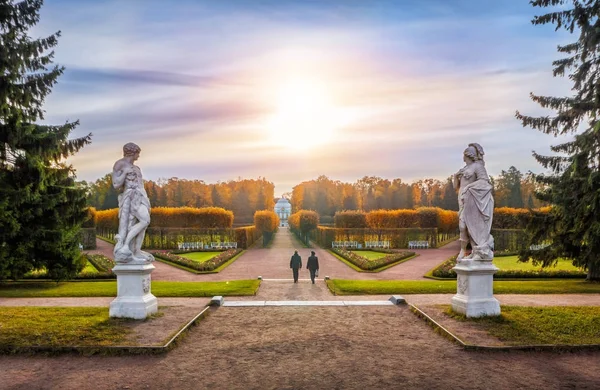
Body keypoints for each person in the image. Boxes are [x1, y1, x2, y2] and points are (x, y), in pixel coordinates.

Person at [112, 142, 154, 263]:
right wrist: (125, 173)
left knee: (144, 224)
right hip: (130, 198)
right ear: (132, 152)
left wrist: (145, 199)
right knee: (144, 220)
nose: (138, 156)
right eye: (138, 153)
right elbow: (116, 184)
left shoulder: (137, 168)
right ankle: (125, 245)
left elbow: (141, 185)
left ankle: (137, 250)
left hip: (141, 197)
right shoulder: (119, 164)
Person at [453, 143, 494, 261]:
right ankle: (465, 250)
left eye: (464, 154)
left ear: (468, 155)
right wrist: (456, 176)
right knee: (462, 226)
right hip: (462, 199)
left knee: (468, 225)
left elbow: (484, 181)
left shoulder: (478, 167)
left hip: (472, 200)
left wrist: (468, 188)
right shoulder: (464, 169)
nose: (463, 157)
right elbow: (456, 187)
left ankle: (467, 251)